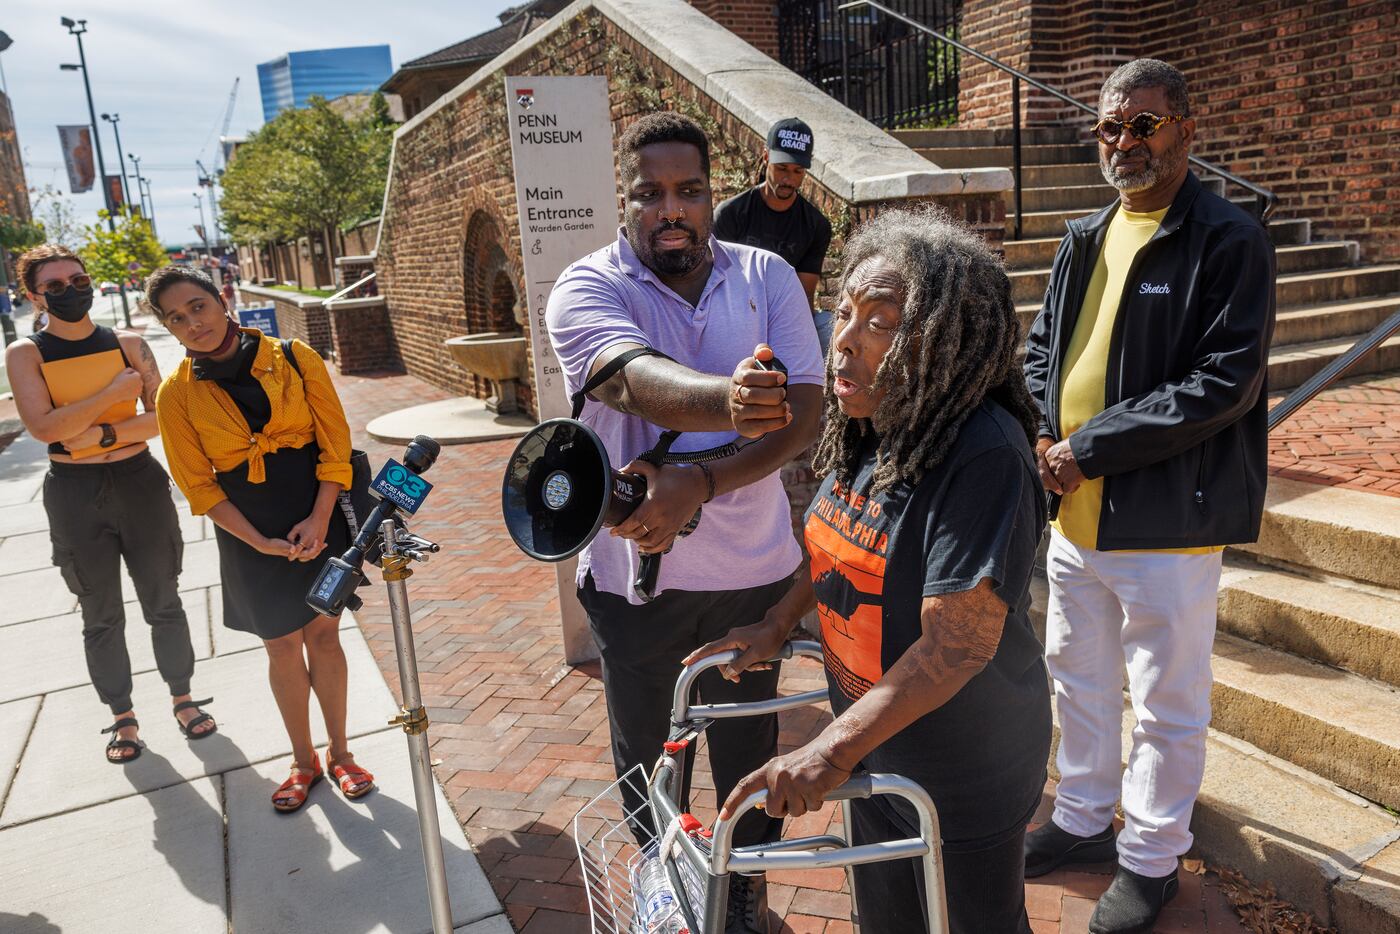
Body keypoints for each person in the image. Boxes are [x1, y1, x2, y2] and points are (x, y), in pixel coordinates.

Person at [687, 208, 1051, 934]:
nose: (845, 341)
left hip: (960, 773)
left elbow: (956, 646)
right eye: (844, 312)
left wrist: (828, 748)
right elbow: (841, 547)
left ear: (941, 340)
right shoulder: (873, 422)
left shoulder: (982, 453)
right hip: (877, 748)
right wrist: (776, 623)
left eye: (881, 323)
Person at [546, 111, 825, 934]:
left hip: (757, 572)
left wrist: (697, 481)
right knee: (649, 752)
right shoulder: (587, 285)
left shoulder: (766, 274)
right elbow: (629, 380)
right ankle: (664, 879)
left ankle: (742, 887)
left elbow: (804, 416)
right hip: (637, 585)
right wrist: (730, 401)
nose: (672, 209)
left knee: (749, 745)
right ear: (624, 202)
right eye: (651, 193)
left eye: (690, 191)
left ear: (714, 194)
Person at [1022, 59, 1275, 933]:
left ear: (1185, 130)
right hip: (1074, 514)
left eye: (1143, 124)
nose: (1123, 141)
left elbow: (1224, 382)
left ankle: (1153, 857)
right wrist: (1046, 437)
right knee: (1076, 675)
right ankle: (1084, 817)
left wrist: (1088, 448)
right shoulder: (1083, 236)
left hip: (1167, 521)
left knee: (1167, 699)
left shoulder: (1228, 238)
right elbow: (1041, 350)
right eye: (1109, 127)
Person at [146, 265, 375, 813]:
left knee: (324, 637)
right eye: (176, 318)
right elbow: (197, 485)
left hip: (316, 513)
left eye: (197, 306)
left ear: (222, 299)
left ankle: (341, 753)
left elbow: (335, 447)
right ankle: (303, 762)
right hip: (248, 530)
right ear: (168, 328)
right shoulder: (174, 395)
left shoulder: (295, 357)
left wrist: (321, 519)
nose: (192, 323)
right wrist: (256, 541)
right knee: (280, 647)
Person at [5, 244, 213, 763]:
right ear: (34, 297)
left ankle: (183, 699)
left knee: (164, 599)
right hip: (74, 496)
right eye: (55, 287)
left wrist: (93, 432)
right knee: (100, 614)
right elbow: (44, 429)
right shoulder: (25, 355)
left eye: (78, 279)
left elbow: (165, 416)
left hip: (139, 481)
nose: (72, 290)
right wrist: (110, 397)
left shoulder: (129, 344)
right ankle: (122, 716)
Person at [714, 118, 834, 354]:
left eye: (797, 171)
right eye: (781, 168)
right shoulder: (731, 213)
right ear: (766, 157)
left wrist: (800, 340)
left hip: (785, 316)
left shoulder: (816, 225)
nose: (788, 179)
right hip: (735, 315)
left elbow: (804, 294)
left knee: (831, 330)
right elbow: (716, 285)